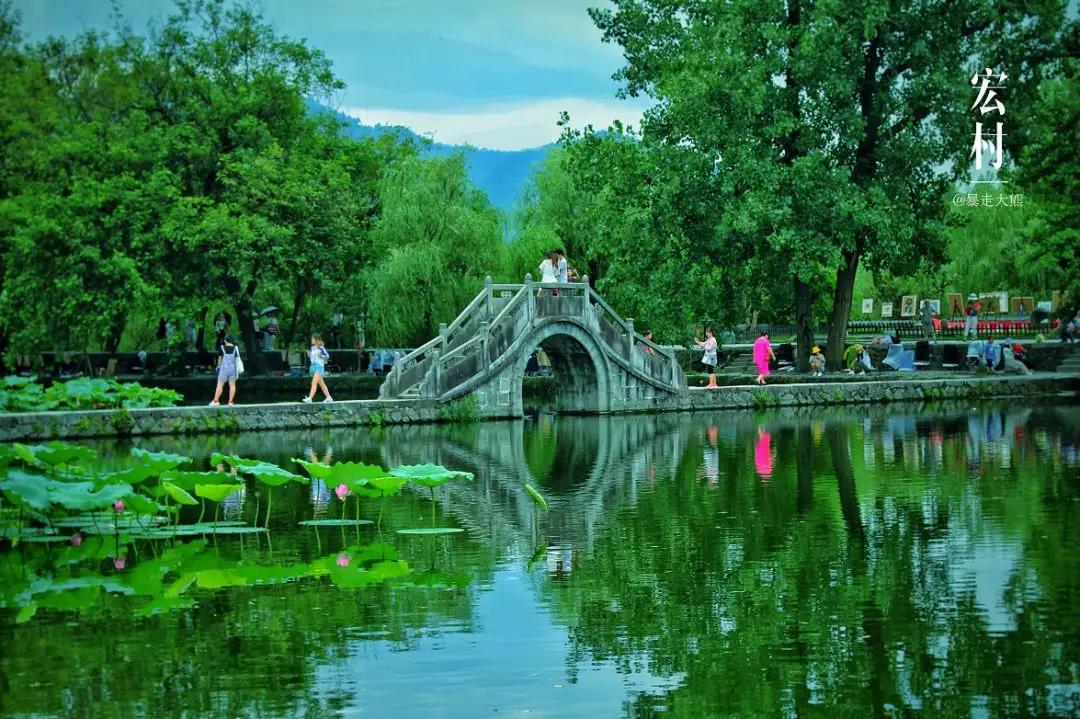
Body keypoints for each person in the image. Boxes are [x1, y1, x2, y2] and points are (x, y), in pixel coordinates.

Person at [209, 334, 240, 406]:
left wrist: (218, 366)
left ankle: (216, 401)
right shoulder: (235, 348)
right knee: (232, 385)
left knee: (220, 384)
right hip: (233, 369)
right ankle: (230, 401)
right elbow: (237, 358)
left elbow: (220, 358)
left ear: (225, 340)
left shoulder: (222, 347)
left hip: (224, 369)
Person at [302, 334, 333, 403]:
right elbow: (312, 358)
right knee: (322, 384)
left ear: (316, 339)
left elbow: (327, 356)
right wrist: (309, 354)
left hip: (319, 366)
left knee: (314, 382)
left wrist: (321, 355)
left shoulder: (321, 348)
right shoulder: (312, 348)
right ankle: (329, 397)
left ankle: (310, 398)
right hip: (314, 366)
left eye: (312, 339)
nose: (311, 340)